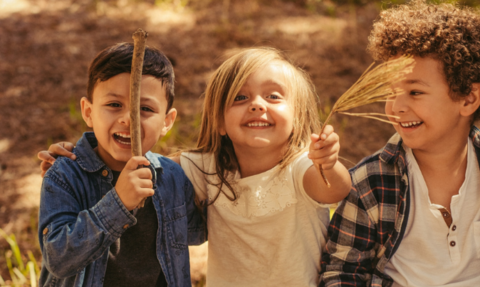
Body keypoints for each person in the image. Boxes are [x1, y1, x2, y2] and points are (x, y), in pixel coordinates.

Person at [39, 47, 352, 286]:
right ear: (219, 120)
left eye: (273, 95)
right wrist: (82, 163)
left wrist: (328, 163)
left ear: (167, 121)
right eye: (240, 97)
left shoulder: (301, 166)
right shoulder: (201, 169)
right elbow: (59, 257)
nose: (258, 104)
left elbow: (332, 189)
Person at [320, 1, 480, 286]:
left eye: (415, 92)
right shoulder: (370, 183)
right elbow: (341, 271)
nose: (396, 106)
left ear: (468, 99)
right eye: (390, 92)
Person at [38, 42, 205, 287]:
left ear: (167, 121)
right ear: (88, 111)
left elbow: (197, 232)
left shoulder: (172, 177)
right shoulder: (64, 175)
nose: (128, 119)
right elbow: (58, 259)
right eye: (114, 105)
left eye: (145, 108)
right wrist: (118, 204)